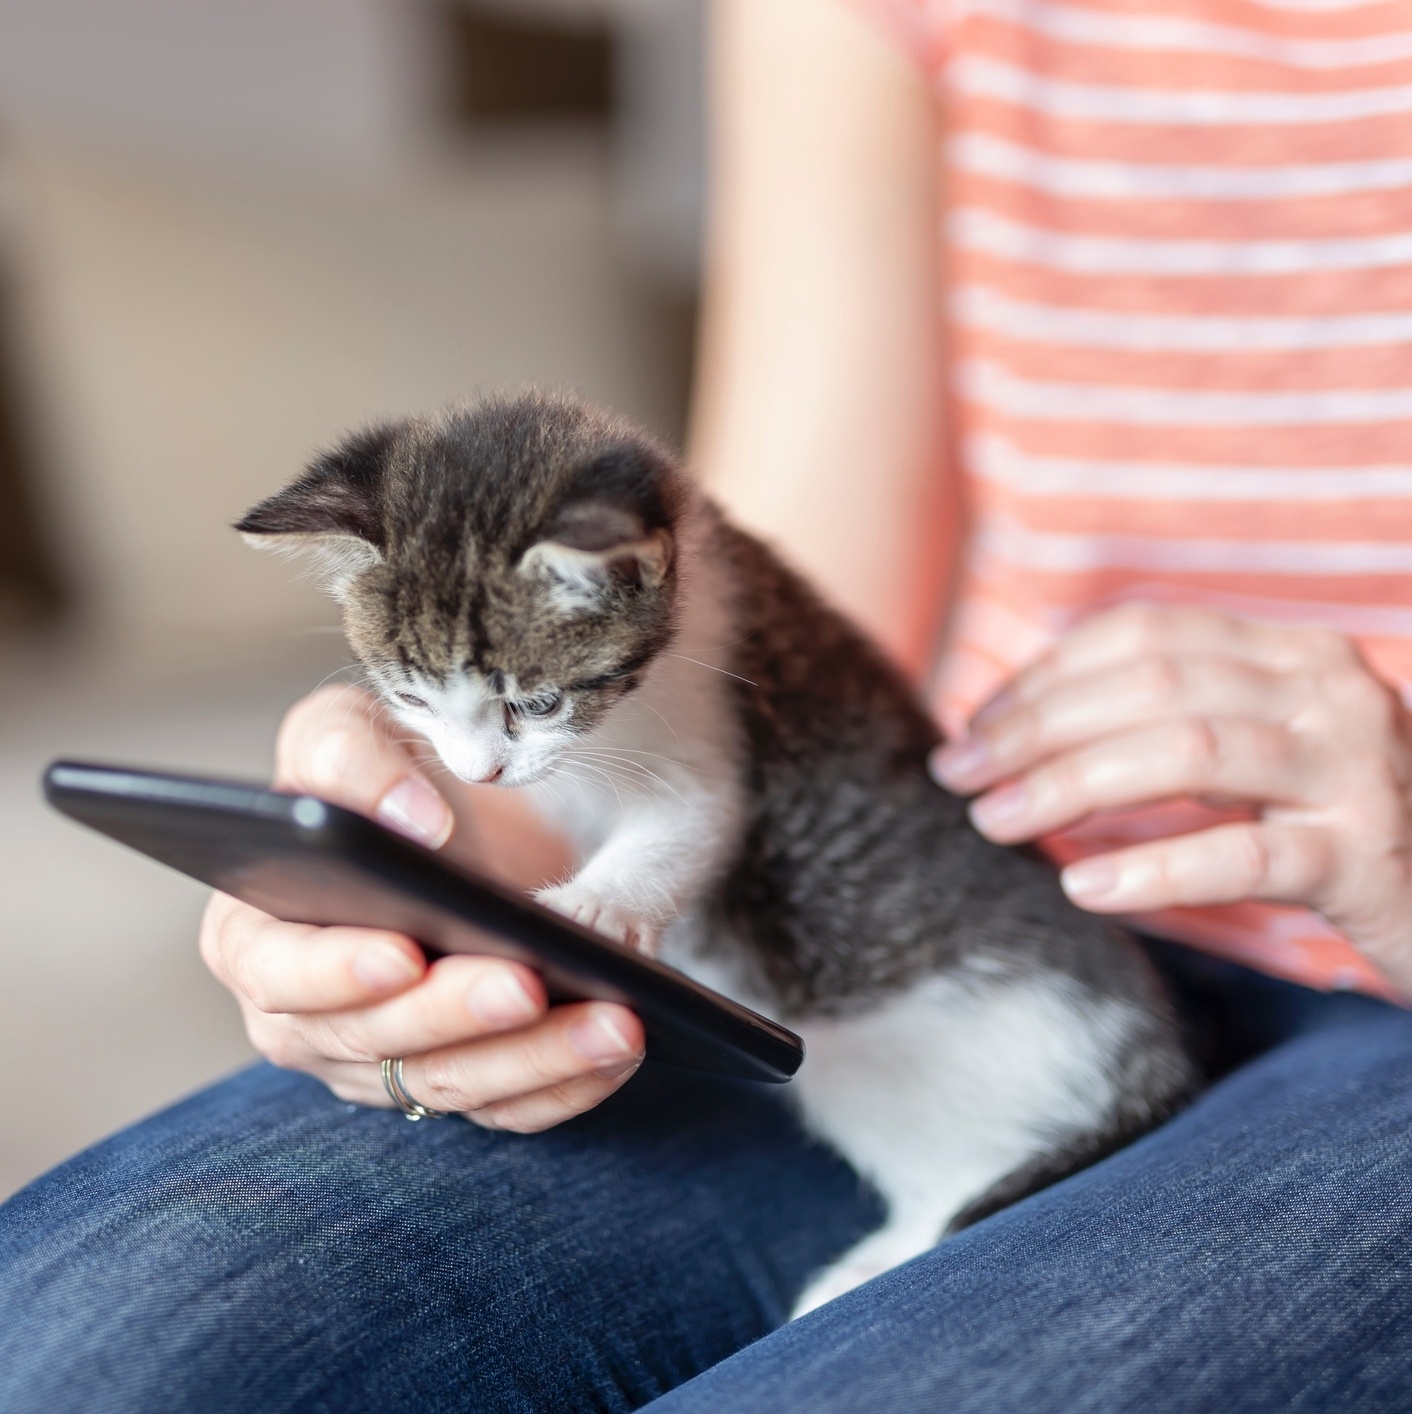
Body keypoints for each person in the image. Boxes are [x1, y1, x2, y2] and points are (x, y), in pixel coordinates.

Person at [6, 0, 1412, 1407]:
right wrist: (445, 873)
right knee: (88, 1351)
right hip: (906, 912)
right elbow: (727, 692)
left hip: (1344, 994)